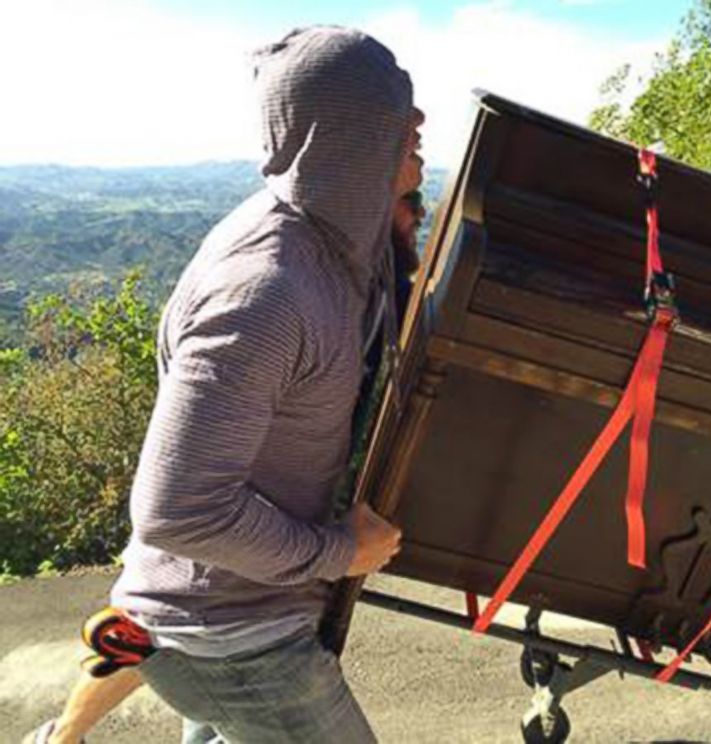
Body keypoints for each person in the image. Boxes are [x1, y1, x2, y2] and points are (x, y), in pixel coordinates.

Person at [35, 25, 424, 744]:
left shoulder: (337, 245)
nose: (420, 126)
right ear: (346, 137)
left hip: (236, 611)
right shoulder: (268, 292)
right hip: (234, 636)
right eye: (397, 115)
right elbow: (177, 511)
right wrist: (343, 552)